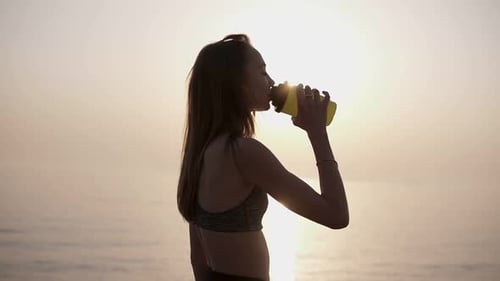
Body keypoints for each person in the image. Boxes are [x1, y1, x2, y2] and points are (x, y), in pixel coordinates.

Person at [177, 34, 349, 281]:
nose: (271, 81)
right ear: (236, 84)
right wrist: (318, 133)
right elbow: (336, 215)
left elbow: (198, 260)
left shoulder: (199, 154)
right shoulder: (243, 153)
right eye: (262, 72)